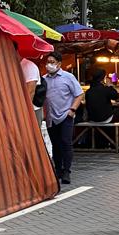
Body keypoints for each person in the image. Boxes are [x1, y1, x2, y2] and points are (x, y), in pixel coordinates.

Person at [42, 53, 83, 185]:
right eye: (48, 62)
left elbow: (79, 94)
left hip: (66, 115)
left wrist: (72, 110)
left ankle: (67, 171)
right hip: (50, 117)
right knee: (55, 144)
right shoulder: (43, 79)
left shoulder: (68, 77)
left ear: (59, 64)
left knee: (66, 143)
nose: (49, 64)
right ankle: (58, 169)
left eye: (52, 62)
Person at [19, 54, 53, 159]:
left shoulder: (28, 66)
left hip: (31, 109)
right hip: (19, 108)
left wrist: (24, 110)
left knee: (32, 137)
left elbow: (31, 91)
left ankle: (35, 161)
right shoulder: (13, 65)